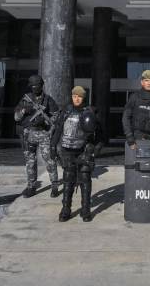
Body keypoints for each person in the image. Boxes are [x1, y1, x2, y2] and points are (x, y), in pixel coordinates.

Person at [50, 86, 102, 222]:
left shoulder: (91, 112)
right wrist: (52, 146)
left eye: (79, 96)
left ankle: (85, 210)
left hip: (84, 150)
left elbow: (102, 135)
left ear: (83, 97)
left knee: (85, 180)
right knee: (68, 180)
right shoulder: (66, 111)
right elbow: (58, 130)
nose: (76, 98)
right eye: (74, 96)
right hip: (67, 151)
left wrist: (95, 150)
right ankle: (66, 209)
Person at [14, 74, 60, 198]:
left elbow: (56, 115)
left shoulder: (48, 100)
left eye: (38, 85)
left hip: (44, 133)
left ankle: (54, 185)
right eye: (33, 86)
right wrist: (24, 110)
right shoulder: (25, 99)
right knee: (30, 161)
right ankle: (31, 187)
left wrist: (45, 121)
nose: (35, 88)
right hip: (29, 134)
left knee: (50, 160)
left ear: (42, 85)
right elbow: (16, 117)